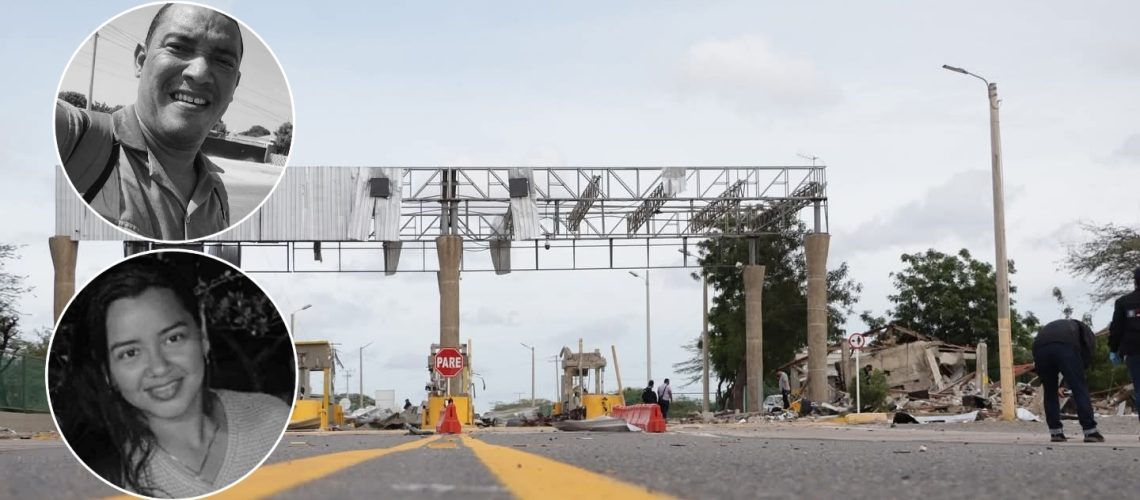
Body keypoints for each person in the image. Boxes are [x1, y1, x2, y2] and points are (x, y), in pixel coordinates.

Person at [55, 257, 289, 498]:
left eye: (173, 338)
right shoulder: (91, 476)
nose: (159, 367)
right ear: (107, 371)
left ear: (202, 333)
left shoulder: (273, 422)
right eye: (130, 353)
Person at [55, 3, 244, 241]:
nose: (199, 73)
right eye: (178, 47)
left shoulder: (217, 197)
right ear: (141, 60)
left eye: (224, 61)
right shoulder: (75, 140)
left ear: (235, 85)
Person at [1032, 318, 1104, 443]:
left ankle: (1056, 432)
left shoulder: (1062, 326)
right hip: (1064, 346)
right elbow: (1086, 357)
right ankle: (1090, 431)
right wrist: (1074, 379)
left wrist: (1063, 384)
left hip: (1040, 349)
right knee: (1079, 388)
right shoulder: (1086, 333)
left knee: (1049, 391)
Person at [1109, 266, 1140, 437]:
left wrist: (1114, 350)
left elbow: (1116, 329)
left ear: (1135, 281)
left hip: (1134, 351)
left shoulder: (1123, 302)